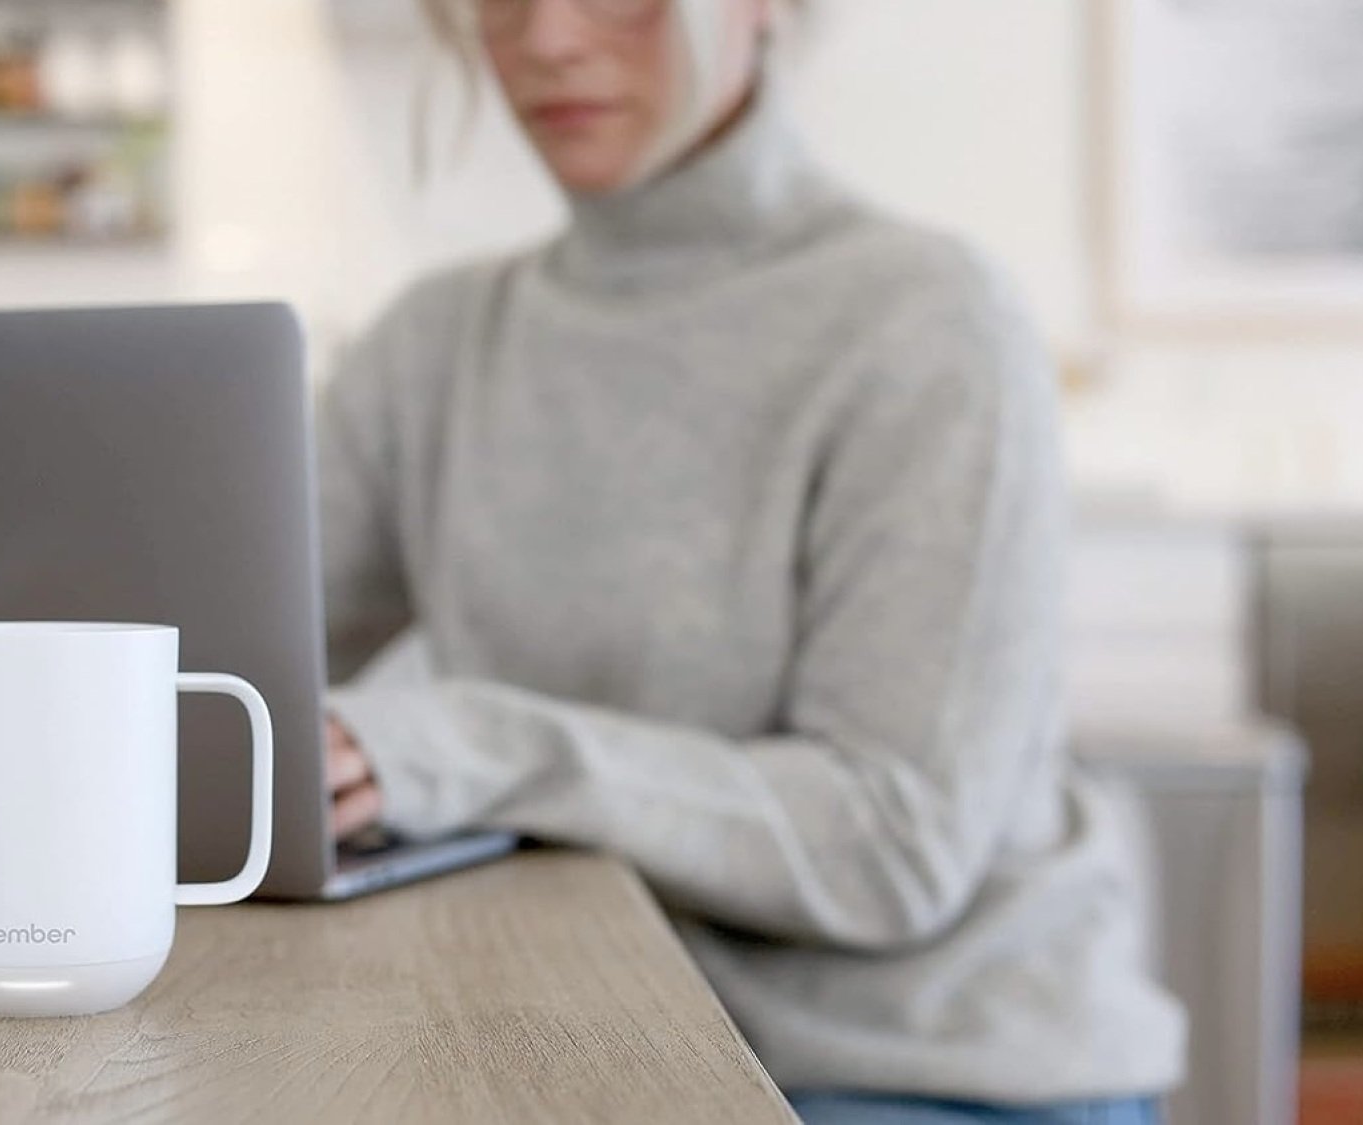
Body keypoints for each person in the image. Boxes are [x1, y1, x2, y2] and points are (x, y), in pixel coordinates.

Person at [315, 1, 1184, 1122]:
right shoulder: (431, 347)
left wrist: (470, 746)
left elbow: (892, 844)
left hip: (924, 1067)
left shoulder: (928, 322)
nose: (548, 39)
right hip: (602, 1027)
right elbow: (214, 661)